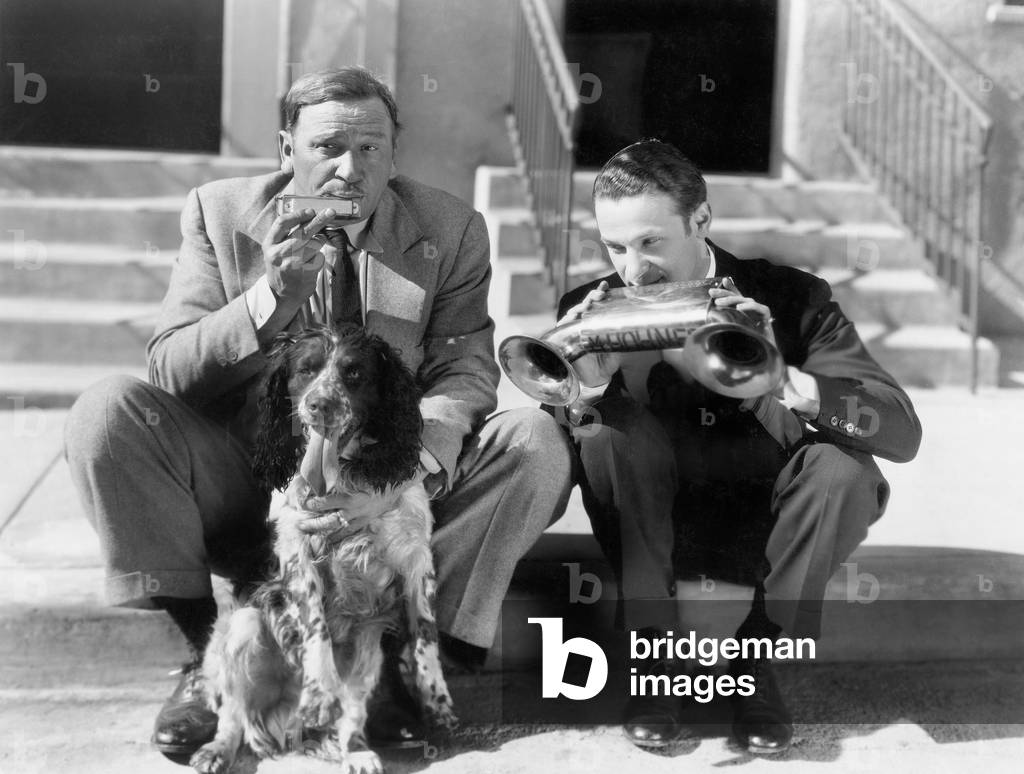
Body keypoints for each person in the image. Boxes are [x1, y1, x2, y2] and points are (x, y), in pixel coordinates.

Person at [63, 67, 573, 761]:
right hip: (249, 478)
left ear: (393, 153)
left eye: (370, 148)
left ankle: (397, 659)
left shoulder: (450, 229)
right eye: (328, 147)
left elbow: (466, 368)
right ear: (288, 150)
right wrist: (269, 299)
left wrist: (405, 472)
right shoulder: (220, 212)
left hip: (382, 482)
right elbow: (171, 371)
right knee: (107, 411)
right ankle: (206, 662)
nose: (349, 168)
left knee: (536, 440)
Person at [552, 140, 921, 754]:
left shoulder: (793, 295)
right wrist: (587, 388)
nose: (633, 271)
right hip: (651, 524)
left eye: (650, 242)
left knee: (845, 472)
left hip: (769, 525)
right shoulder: (589, 309)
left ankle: (756, 663)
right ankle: (654, 662)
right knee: (605, 430)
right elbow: (578, 449)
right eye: (615, 247)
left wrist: (786, 382)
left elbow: (900, 431)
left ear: (701, 219)